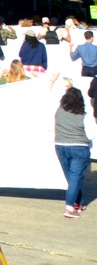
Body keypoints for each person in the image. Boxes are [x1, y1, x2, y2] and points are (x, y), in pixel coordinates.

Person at [54, 87, 91, 218]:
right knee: (75, 177)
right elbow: (91, 135)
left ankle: (79, 202)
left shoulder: (59, 112)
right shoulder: (84, 116)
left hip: (60, 146)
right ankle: (69, 207)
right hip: (79, 147)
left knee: (71, 177)